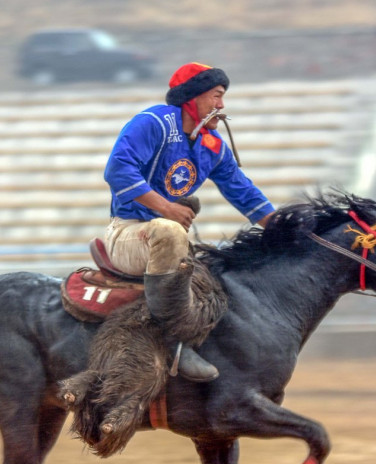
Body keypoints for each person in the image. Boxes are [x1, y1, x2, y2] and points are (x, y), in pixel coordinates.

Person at [103, 62, 275, 382]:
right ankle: (171, 342)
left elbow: (243, 192)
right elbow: (117, 170)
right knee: (169, 231)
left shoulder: (212, 146)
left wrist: (285, 228)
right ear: (192, 97)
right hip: (127, 231)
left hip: (169, 241)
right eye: (216, 95)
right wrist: (166, 208)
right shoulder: (154, 121)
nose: (221, 106)